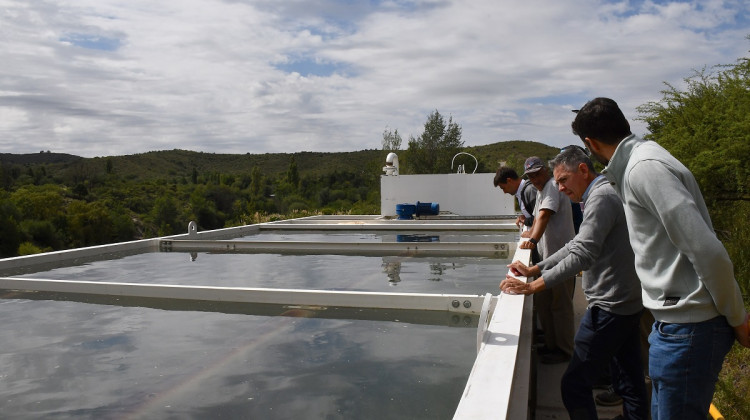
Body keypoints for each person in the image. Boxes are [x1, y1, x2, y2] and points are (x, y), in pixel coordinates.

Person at [571, 97, 750, 419]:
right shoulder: (640, 164)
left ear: (590, 143)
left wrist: (738, 316)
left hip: (691, 328)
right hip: (676, 326)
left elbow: (707, 251)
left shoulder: (645, 170)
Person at [501, 147, 648, 419]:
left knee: (574, 385)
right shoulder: (598, 194)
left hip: (610, 305)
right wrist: (535, 268)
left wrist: (532, 285)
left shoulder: (601, 197)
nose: (560, 188)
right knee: (630, 379)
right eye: (556, 182)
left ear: (582, 170)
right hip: (626, 301)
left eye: (563, 180)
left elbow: (582, 254)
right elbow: (576, 244)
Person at [519, 156, 576, 364]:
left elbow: (544, 216)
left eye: (537, 174)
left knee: (560, 306)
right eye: (530, 176)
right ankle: (552, 345)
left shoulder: (552, 186)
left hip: (560, 258)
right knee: (545, 304)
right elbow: (536, 220)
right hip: (547, 260)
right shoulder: (542, 190)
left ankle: (564, 350)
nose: (534, 179)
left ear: (546, 171)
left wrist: (532, 240)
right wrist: (528, 234)